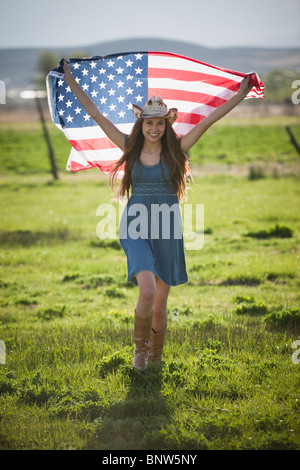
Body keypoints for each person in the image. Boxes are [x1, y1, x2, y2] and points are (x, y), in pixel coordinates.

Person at [62, 59, 253, 372]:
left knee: (161, 303)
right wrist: (71, 80)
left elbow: (208, 122)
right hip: (135, 224)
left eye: (159, 123)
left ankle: (155, 358)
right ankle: (139, 351)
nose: (154, 128)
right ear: (141, 124)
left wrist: (239, 96)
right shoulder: (129, 145)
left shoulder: (177, 148)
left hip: (167, 226)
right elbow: (97, 114)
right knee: (147, 290)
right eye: (148, 123)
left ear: (167, 124)